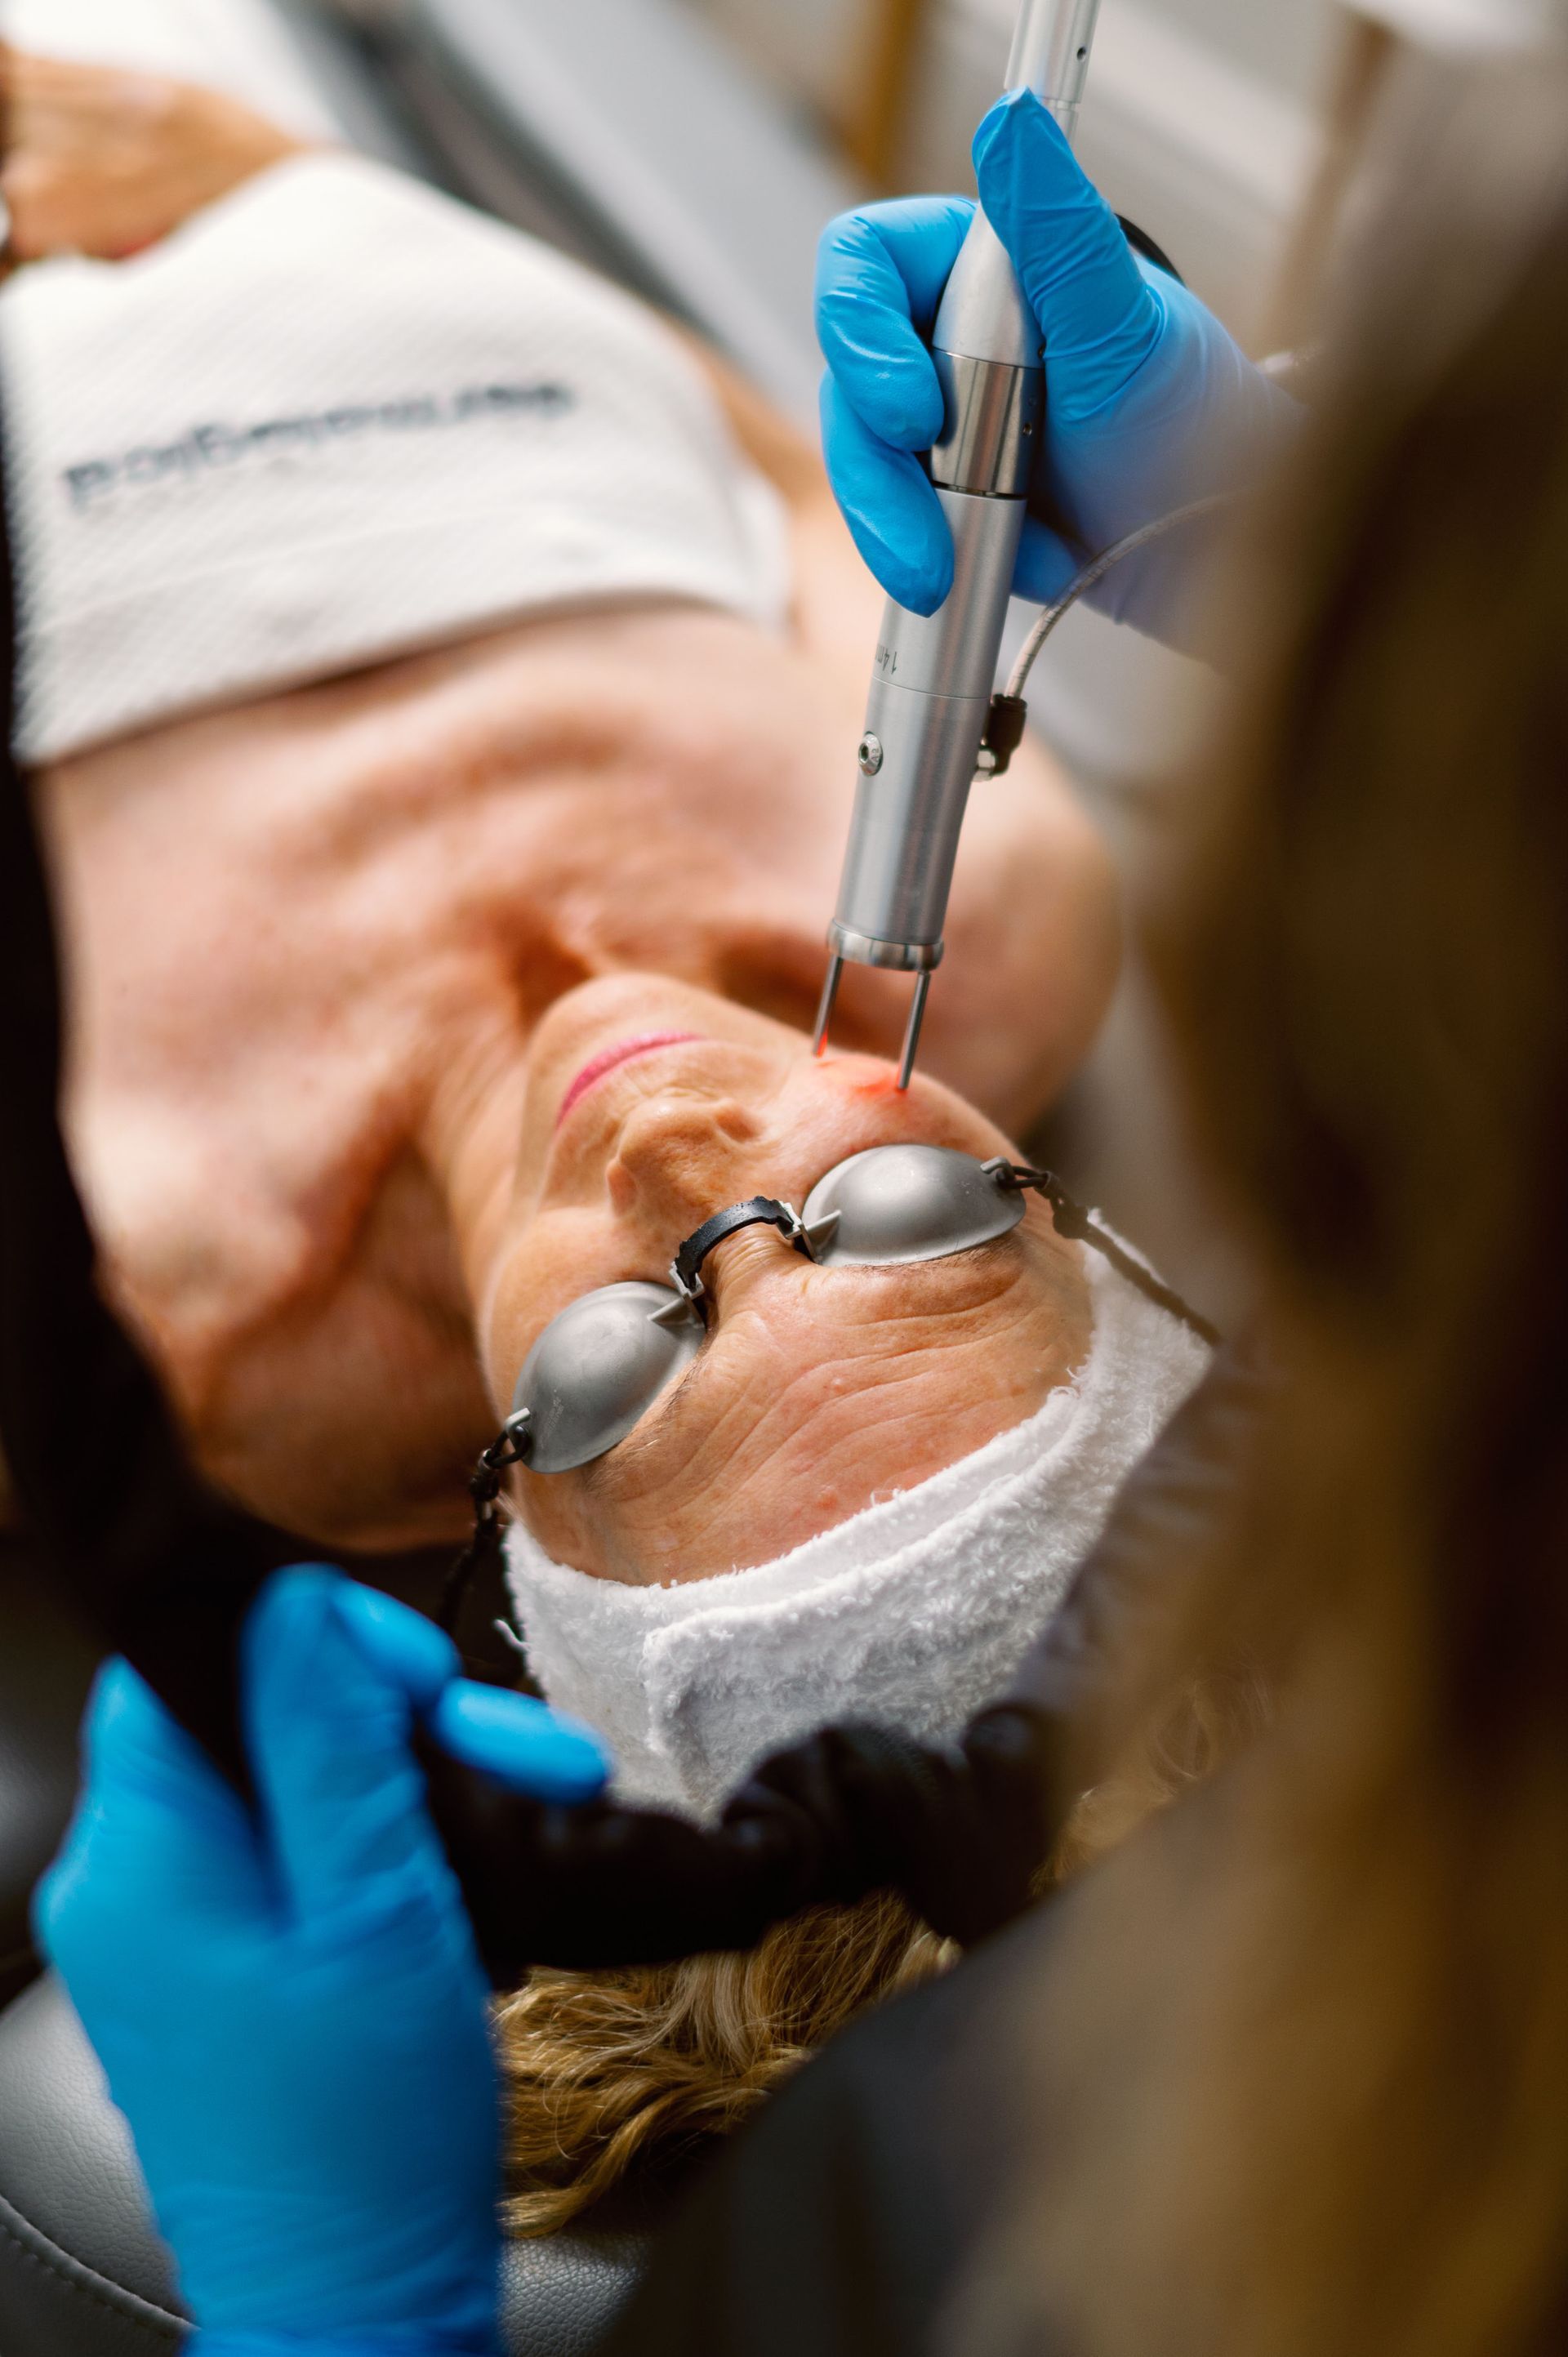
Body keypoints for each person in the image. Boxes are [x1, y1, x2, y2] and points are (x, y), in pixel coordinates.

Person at [36, 30, 1568, 2357]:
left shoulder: (159, 1302)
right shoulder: (1019, 893)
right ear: (1080, 1211)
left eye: (627, 1359)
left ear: (500, 1547)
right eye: (910, 1230)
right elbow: (724, 453)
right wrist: (248, 169)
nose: (687, 1158)